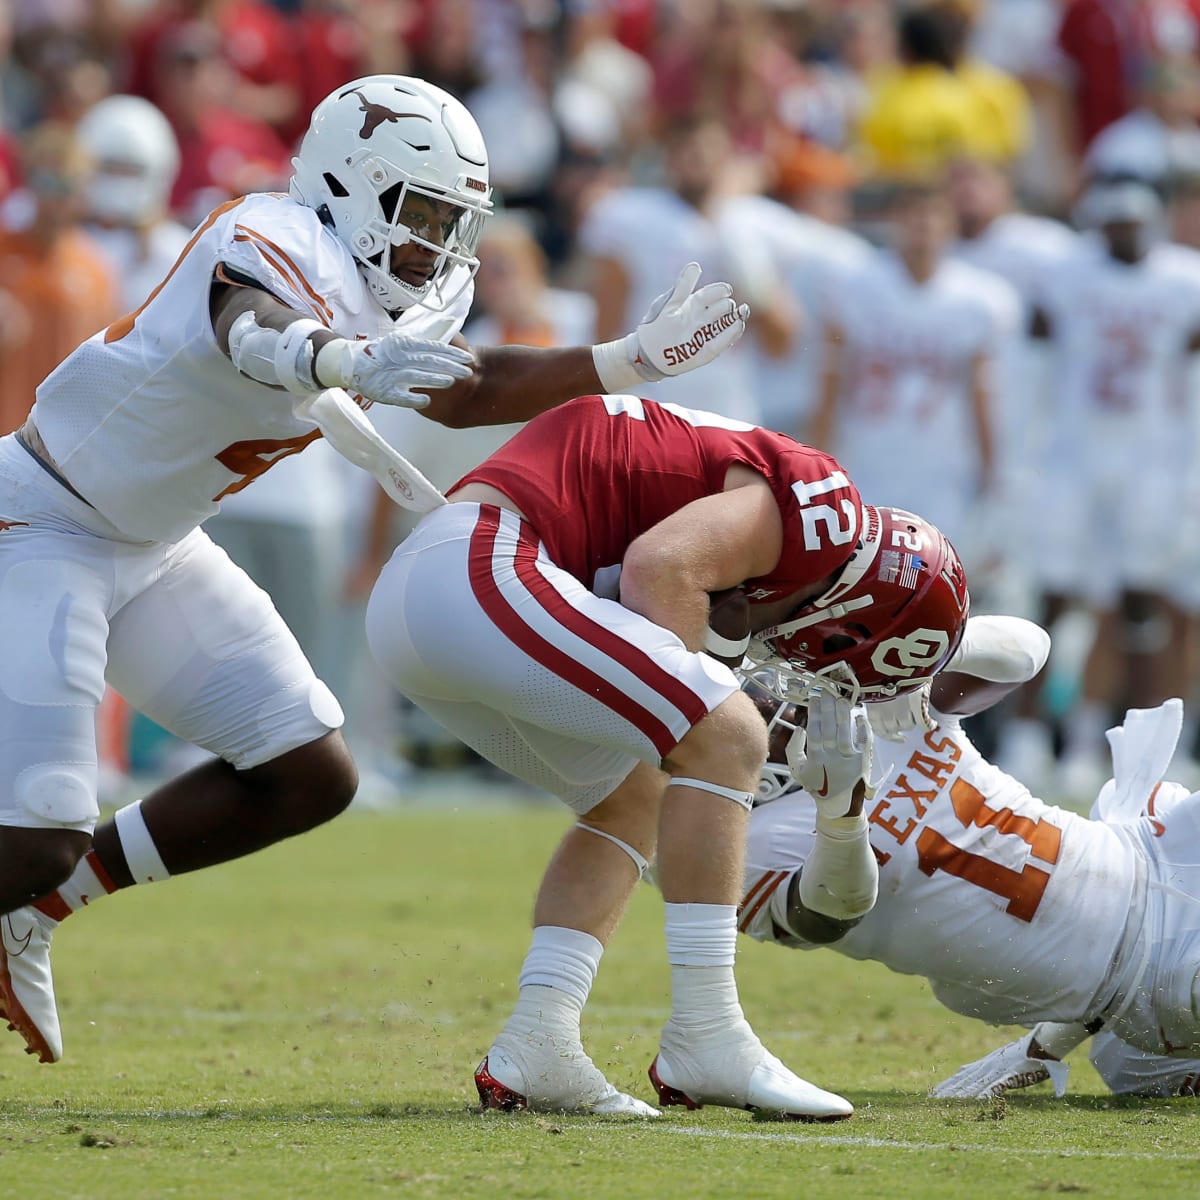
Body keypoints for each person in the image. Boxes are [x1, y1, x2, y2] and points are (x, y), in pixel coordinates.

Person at [0, 74, 750, 1067]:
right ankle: (35, 884)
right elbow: (247, 319)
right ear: (353, 183)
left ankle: (32, 916)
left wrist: (627, 361)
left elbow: (466, 387)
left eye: (454, 221)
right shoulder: (271, 231)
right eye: (421, 213)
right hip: (43, 515)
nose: (437, 244)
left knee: (306, 771)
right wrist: (333, 359)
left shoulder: (422, 287)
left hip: (153, 541)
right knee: (37, 826)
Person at [365, 399, 970, 1118]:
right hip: (478, 568)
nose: (803, 667)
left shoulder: (793, 520)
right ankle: (707, 1035)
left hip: (431, 595)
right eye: (836, 665)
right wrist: (706, 702)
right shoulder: (826, 505)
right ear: (855, 618)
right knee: (729, 736)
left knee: (633, 798)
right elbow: (660, 567)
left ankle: (539, 1042)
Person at [735, 613, 1200, 1100]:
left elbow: (1027, 648)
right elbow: (824, 916)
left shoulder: (876, 712)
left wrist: (919, 666)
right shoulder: (754, 842)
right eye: (764, 715)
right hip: (1147, 994)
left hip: (1159, 857)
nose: (777, 703)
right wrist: (842, 816)